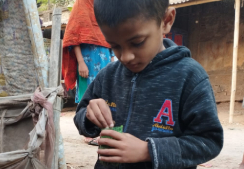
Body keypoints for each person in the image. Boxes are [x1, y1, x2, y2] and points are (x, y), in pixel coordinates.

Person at [74, 0, 224, 168]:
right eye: (114, 46)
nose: (126, 57)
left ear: (166, 21)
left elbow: (208, 141)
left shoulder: (189, 77)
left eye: (137, 42)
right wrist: (88, 115)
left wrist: (148, 150)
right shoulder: (108, 76)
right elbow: (81, 118)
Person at [62, 0, 115, 104]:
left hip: (106, 60)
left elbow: (111, 33)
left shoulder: (104, 4)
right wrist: (81, 63)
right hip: (86, 62)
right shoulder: (81, 4)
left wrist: (113, 61)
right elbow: (73, 36)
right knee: (86, 100)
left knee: (107, 98)